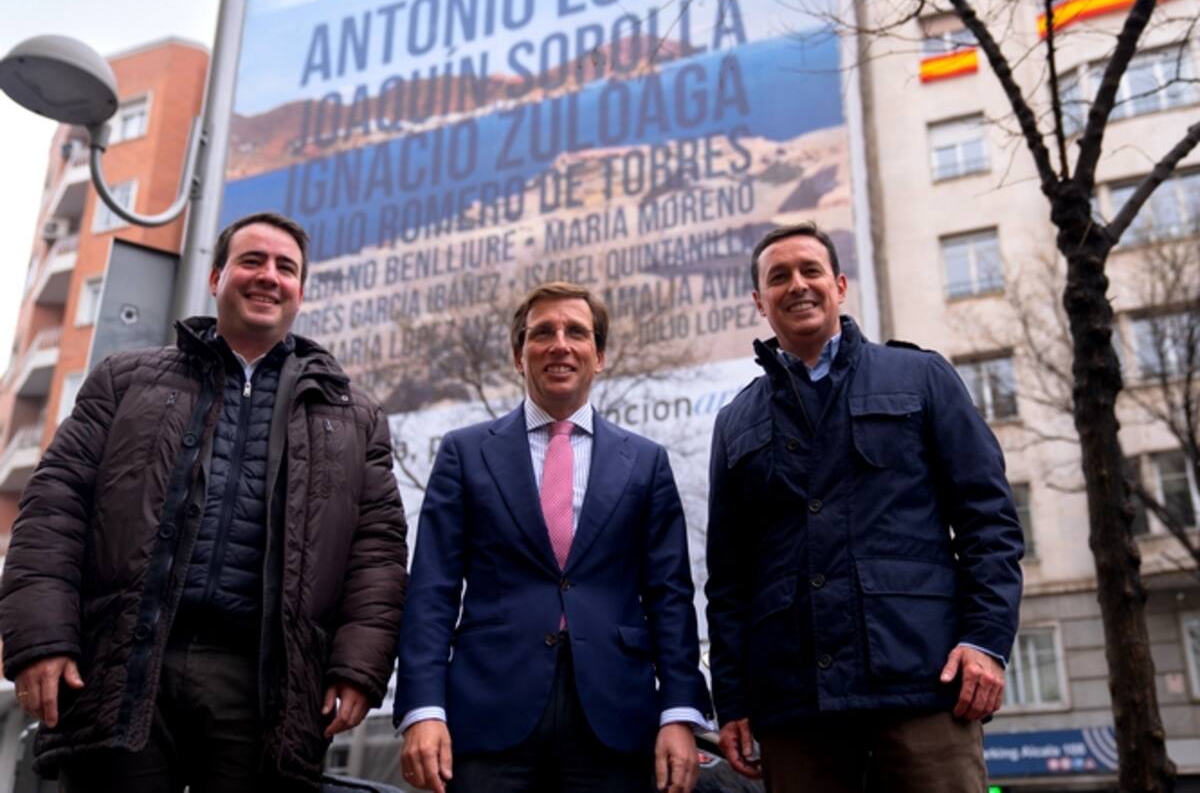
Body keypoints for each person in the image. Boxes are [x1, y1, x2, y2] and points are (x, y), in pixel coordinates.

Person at [0, 212, 408, 792]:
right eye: (251, 261)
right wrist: (42, 639)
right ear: (216, 278)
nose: (268, 276)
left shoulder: (353, 419)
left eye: (285, 268)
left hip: (264, 691)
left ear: (300, 291)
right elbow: (54, 508)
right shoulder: (123, 382)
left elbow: (377, 553)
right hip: (123, 669)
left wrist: (357, 667)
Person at [705, 223, 1024, 792]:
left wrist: (986, 641)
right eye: (778, 277)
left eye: (811, 270)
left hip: (923, 682)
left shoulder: (921, 377)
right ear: (759, 301)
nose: (797, 285)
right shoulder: (735, 423)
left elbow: (989, 521)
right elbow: (729, 579)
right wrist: (732, 700)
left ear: (840, 285)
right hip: (795, 704)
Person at [394, 282, 711, 793]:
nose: (559, 344)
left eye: (576, 332)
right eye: (542, 333)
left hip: (615, 716)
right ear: (518, 355)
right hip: (488, 713)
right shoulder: (464, 453)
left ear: (598, 356)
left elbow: (669, 596)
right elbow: (432, 589)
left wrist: (679, 710)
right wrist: (424, 708)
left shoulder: (646, 462)